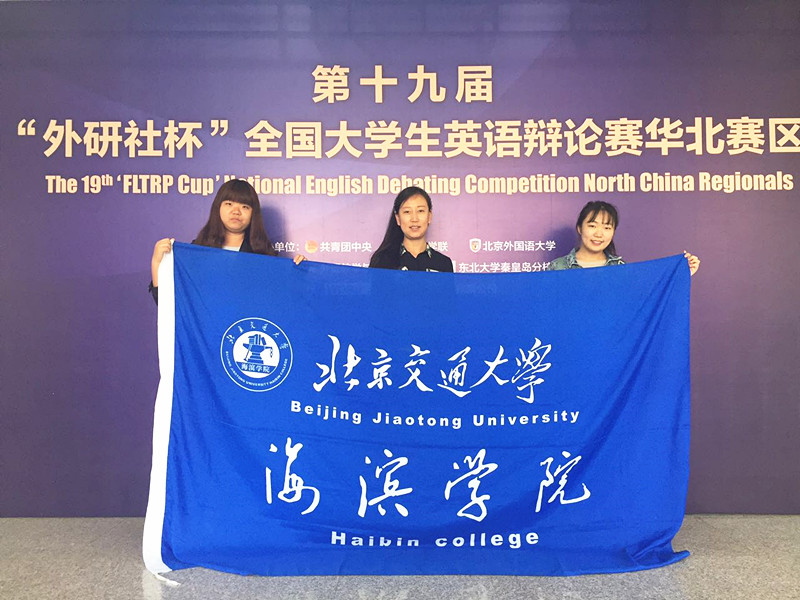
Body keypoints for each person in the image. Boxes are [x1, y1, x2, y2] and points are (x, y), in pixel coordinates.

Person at [149, 179, 304, 303]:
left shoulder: (265, 256)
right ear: (218, 208)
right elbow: (171, 304)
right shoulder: (197, 251)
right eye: (229, 204)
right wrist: (156, 263)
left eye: (245, 206)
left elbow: (285, 303)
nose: (236, 211)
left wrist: (303, 273)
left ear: (253, 214)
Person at [547, 201, 700, 275]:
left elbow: (646, 298)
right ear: (580, 228)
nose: (599, 234)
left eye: (607, 228)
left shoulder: (621, 268)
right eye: (592, 226)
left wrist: (681, 274)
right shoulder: (558, 267)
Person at [368, 186, 453, 272]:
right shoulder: (381, 261)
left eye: (420, 211)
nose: (414, 219)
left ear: (429, 216)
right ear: (398, 219)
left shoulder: (443, 263)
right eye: (407, 212)